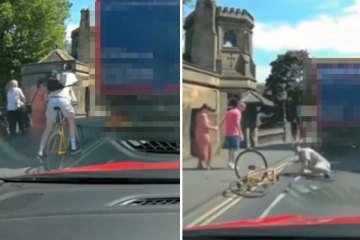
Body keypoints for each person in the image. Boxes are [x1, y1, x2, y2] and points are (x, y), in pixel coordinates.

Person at [36, 65, 81, 161]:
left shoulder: (54, 86)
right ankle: (73, 148)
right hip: (64, 101)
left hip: (52, 101)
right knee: (71, 122)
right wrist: (75, 105)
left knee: (48, 128)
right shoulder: (68, 85)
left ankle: (40, 152)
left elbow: (47, 95)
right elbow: (74, 99)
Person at [220, 99, 246, 169]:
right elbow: (237, 123)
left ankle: (229, 163)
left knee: (230, 149)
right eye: (243, 108)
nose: (243, 110)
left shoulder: (229, 112)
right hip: (235, 133)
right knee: (235, 149)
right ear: (240, 107)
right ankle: (233, 164)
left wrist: (218, 126)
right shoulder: (238, 112)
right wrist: (241, 133)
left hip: (228, 133)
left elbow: (223, 119)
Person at [195, 104, 218, 170]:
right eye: (209, 110)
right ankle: (207, 164)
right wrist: (214, 128)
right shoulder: (204, 115)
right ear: (205, 109)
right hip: (204, 134)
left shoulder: (198, 114)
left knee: (200, 149)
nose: (209, 112)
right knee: (208, 149)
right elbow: (205, 125)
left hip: (199, 133)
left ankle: (200, 164)